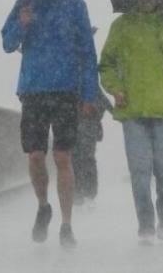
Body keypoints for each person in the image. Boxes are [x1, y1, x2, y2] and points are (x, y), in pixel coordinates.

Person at [1, 0, 99, 248]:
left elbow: (88, 52)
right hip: (33, 88)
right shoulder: (26, 1)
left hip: (66, 89)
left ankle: (67, 225)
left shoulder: (75, 4)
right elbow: (7, 43)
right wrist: (22, 24)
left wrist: (89, 94)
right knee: (34, 155)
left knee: (62, 157)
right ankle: (44, 206)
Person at [99, 0, 163, 243]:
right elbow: (105, 65)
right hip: (133, 111)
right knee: (139, 173)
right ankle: (146, 224)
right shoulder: (122, 25)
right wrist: (115, 88)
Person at [72, 28, 113, 207]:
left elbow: (96, 91)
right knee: (81, 156)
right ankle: (83, 193)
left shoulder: (84, 64)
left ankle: (83, 194)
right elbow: (98, 92)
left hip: (83, 118)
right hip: (77, 118)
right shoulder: (81, 63)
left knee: (82, 156)